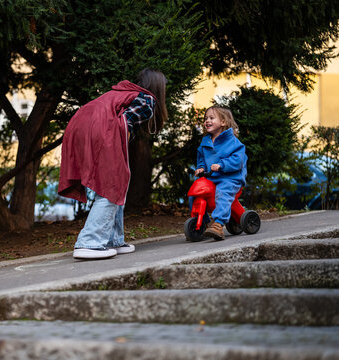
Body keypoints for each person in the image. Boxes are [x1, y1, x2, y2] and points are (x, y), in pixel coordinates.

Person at [58, 68, 168, 259]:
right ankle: (89, 243)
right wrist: (117, 156)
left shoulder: (121, 93)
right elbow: (124, 124)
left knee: (116, 185)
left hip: (78, 127)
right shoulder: (147, 99)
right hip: (102, 131)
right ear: (158, 87)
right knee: (113, 183)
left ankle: (113, 240)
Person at [193, 105, 247, 240]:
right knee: (196, 192)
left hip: (230, 178)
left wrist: (222, 165)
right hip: (212, 177)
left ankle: (218, 224)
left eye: (212, 118)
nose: (207, 121)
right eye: (206, 118)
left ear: (223, 122)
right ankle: (202, 222)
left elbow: (238, 160)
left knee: (223, 193)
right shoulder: (205, 142)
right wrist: (200, 168)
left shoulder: (233, 141)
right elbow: (201, 158)